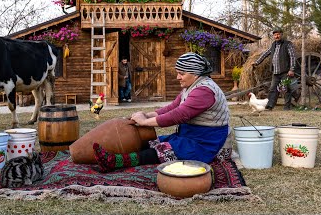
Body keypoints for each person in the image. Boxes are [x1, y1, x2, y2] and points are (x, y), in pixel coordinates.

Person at [93, 52, 231, 173]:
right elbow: (172, 107)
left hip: (207, 142)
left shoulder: (204, 91)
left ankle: (114, 161)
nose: (178, 77)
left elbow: (178, 115)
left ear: (196, 74)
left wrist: (145, 122)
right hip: (191, 135)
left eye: (182, 73)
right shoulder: (191, 87)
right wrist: (147, 115)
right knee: (155, 142)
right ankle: (113, 153)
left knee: (164, 150)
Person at [251, 27, 297, 110]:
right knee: (272, 89)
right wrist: (257, 62)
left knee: (285, 88)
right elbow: (265, 54)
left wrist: (292, 69)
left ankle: (287, 107)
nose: (277, 36)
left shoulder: (287, 44)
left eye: (278, 34)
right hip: (275, 72)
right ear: (273, 36)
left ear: (282, 35)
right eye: (275, 35)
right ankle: (270, 106)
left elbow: (292, 57)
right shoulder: (273, 45)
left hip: (285, 72)